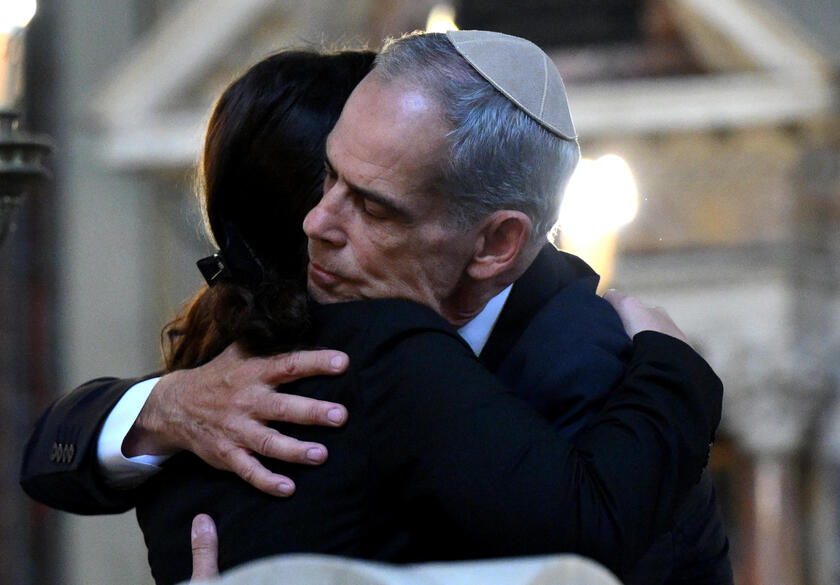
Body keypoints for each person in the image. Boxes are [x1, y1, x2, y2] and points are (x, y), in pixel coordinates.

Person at [21, 32, 730, 585]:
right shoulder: (285, 332)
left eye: (372, 204)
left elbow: (597, 536)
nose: (318, 223)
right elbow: (50, 453)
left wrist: (675, 372)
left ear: (495, 245)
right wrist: (162, 406)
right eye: (328, 177)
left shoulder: (590, 366)